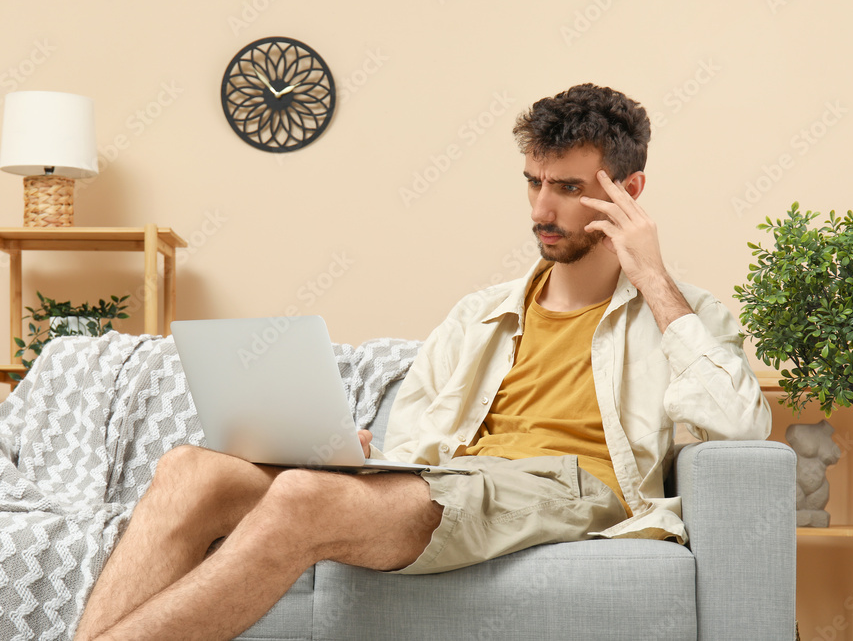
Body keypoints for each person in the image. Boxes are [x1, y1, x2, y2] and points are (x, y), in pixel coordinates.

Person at [74, 83, 771, 641]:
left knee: (299, 499)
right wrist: (360, 458)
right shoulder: (479, 314)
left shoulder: (683, 313)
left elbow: (740, 425)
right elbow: (417, 440)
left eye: (566, 186)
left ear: (630, 190)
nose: (542, 206)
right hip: (453, 480)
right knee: (188, 469)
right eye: (533, 182)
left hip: (567, 487)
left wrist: (651, 275)